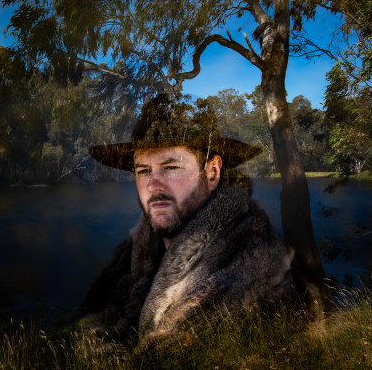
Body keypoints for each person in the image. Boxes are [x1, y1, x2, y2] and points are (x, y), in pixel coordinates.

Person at [81, 94, 296, 343]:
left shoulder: (249, 267)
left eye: (171, 168)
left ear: (213, 172)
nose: (153, 185)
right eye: (142, 171)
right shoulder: (140, 252)